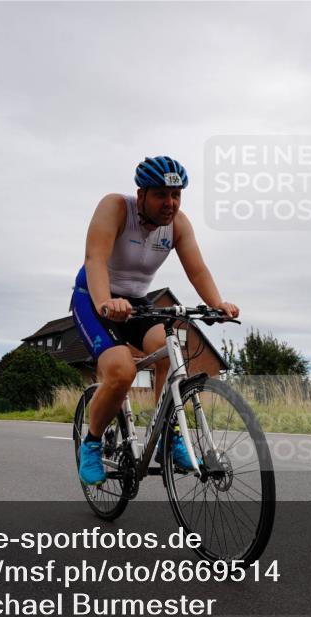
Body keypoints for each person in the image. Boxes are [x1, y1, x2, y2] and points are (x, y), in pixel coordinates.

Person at [71, 156, 239, 486]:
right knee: (122, 371)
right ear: (142, 194)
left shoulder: (177, 224)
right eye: (162, 194)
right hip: (94, 298)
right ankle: (91, 443)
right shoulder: (116, 208)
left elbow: (197, 270)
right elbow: (95, 259)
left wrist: (216, 304)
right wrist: (105, 302)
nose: (170, 203)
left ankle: (167, 435)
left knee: (171, 349)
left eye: (176, 195)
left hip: (136, 304)